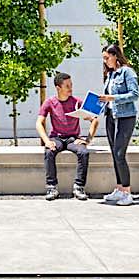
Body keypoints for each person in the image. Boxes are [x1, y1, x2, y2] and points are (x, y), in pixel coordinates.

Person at [89, 43, 139, 206]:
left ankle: (127, 192)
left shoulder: (127, 72)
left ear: (115, 55)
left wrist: (113, 98)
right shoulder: (110, 74)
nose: (105, 61)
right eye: (103, 58)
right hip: (111, 116)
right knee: (114, 154)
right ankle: (119, 189)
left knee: (119, 154)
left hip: (125, 117)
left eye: (107, 57)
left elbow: (134, 94)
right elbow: (107, 98)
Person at [37, 71, 97, 201]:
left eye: (71, 85)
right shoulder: (49, 102)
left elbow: (95, 119)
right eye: (67, 86)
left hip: (73, 139)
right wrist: (47, 141)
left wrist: (88, 140)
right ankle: (52, 187)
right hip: (56, 138)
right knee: (49, 152)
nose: (71, 88)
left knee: (84, 153)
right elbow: (39, 123)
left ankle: (79, 187)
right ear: (58, 88)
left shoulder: (77, 102)